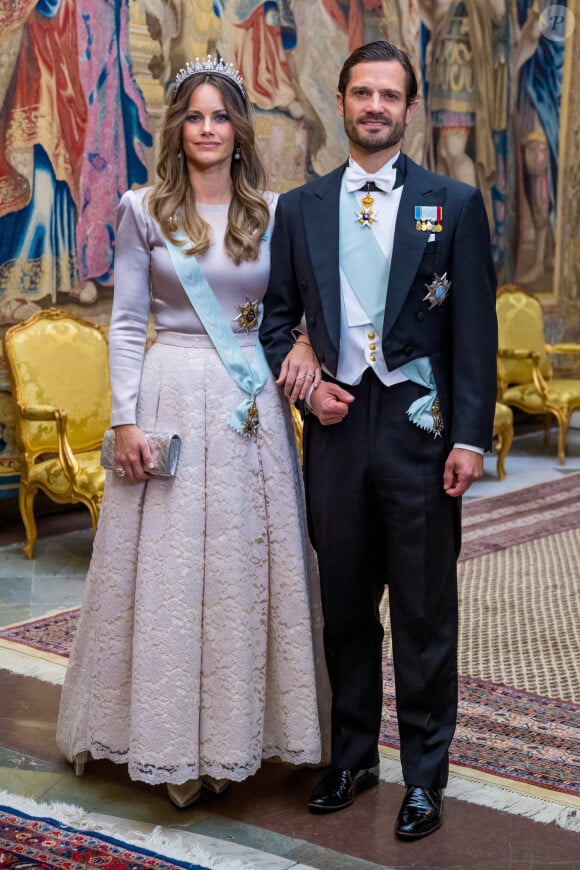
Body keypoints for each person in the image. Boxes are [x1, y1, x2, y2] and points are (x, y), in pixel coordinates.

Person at [56, 55, 327, 809]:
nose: (207, 129)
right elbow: (130, 321)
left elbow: (294, 312)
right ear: (177, 128)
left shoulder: (275, 213)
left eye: (220, 116)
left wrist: (303, 341)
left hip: (249, 404)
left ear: (238, 130)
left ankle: (241, 736)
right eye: (193, 116)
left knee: (244, 568)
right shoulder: (143, 209)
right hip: (170, 390)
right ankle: (170, 745)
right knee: (171, 572)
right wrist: (125, 420)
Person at [260, 39, 497, 840]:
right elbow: (274, 321)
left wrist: (470, 437)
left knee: (425, 611)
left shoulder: (453, 205)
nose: (373, 107)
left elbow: (474, 337)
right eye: (361, 93)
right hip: (333, 428)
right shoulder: (300, 209)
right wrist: (301, 375)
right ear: (341, 99)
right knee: (345, 605)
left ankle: (425, 775)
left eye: (388, 95)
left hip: (420, 433)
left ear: (409, 107)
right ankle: (354, 755)